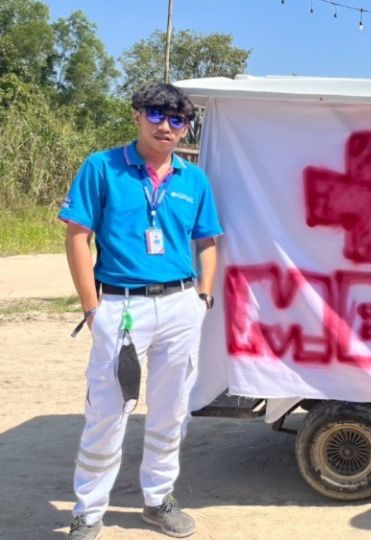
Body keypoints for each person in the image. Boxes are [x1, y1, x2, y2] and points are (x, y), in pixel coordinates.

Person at [59, 82, 222, 540]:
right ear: (136, 115)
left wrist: (203, 297)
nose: (166, 126)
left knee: (171, 411)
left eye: (177, 119)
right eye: (156, 114)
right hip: (120, 305)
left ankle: (158, 499)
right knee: (108, 411)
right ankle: (88, 512)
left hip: (180, 305)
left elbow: (206, 241)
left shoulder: (193, 179)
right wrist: (93, 308)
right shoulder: (102, 167)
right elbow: (76, 237)